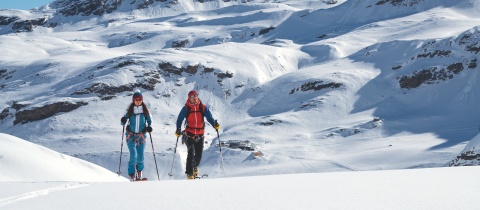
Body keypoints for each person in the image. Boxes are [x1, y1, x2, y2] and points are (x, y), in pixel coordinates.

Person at [175, 90, 220, 179]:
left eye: (196, 96)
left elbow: (209, 117)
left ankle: (194, 166)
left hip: (200, 134)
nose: (194, 98)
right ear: (189, 98)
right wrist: (178, 129)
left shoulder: (202, 107)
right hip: (189, 134)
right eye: (192, 96)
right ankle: (189, 173)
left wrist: (214, 124)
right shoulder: (186, 108)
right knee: (191, 153)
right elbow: (179, 119)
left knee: (198, 156)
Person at [121, 90, 153, 181]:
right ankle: (131, 174)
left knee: (141, 156)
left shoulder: (146, 111)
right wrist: (123, 120)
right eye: (136, 99)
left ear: (142, 100)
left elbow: (150, 120)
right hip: (130, 136)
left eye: (140, 99)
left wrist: (150, 127)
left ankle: (139, 172)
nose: (138, 101)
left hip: (141, 137)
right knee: (133, 155)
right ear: (133, 100)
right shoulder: (129, 110)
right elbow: (123, 120)